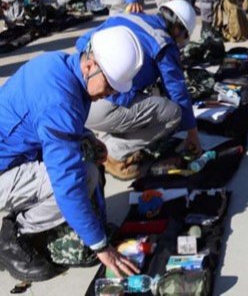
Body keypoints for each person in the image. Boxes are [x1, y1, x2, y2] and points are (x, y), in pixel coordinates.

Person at [0, 26, 143, 281]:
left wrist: (87, 137)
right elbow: (67, 182)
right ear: (90, 65)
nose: (110, 94)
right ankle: (15, 234)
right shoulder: (60, 100)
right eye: (110, 86)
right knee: (82, 175)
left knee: (85, 154)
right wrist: (100, 246)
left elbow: (49, 122)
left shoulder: (62, 66)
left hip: (16, 155)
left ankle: (64, 222)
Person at [79, 1, 199, 179]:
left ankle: (99, 132)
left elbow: (81, 42)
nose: (181, 42)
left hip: (81, 99)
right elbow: (177, 91)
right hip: (101, 104)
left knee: (144, 92)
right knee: (174, 113)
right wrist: (192, 132)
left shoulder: (126, 17)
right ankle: (113, 152)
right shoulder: (163, 43)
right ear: (177, 29)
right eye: (183, 36)